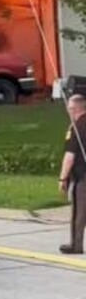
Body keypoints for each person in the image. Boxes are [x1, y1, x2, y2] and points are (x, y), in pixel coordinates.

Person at [59, 94, 86, 254]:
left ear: (74, 109)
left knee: (80, 212)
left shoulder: (76, 128)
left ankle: (76, 245)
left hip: (83, 176)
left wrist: (63, 177)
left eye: (69, 108)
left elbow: (70, 156)